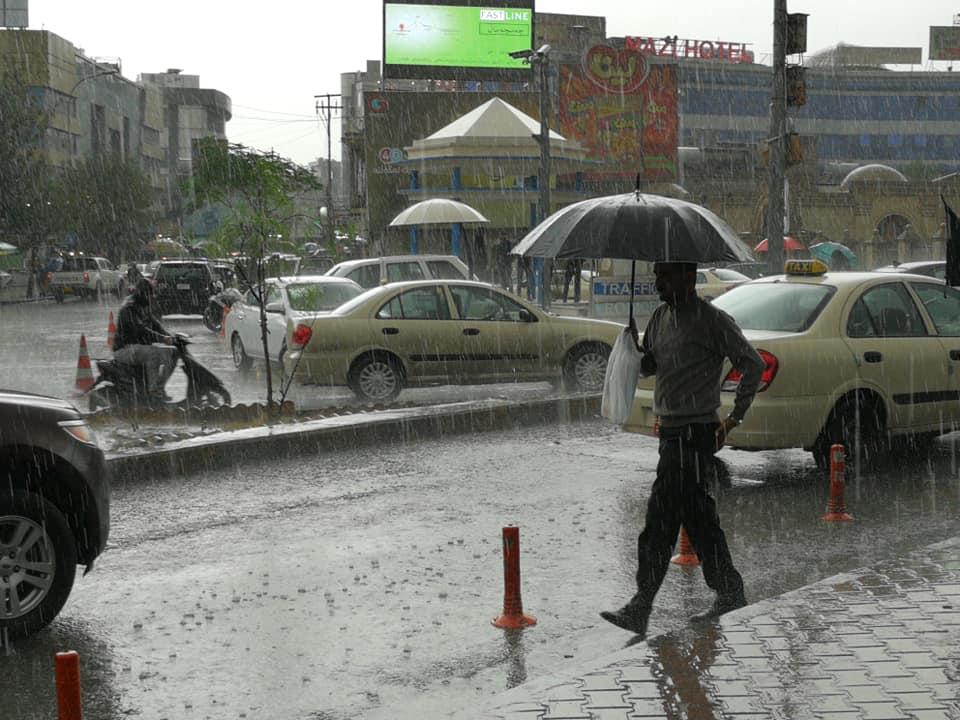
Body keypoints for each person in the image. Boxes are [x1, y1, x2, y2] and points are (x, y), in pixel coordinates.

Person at [600, 261, 764, 637]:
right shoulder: (659, 317)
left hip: (694, 433)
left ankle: (642, 605)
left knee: (660, 520)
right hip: (671, 433)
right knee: (698, 518)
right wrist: (633, 347)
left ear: (688, 279)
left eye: (665, 276)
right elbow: (650, 365)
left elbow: (751, 364)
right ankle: (729, 590)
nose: (657, 282)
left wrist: (735, 417)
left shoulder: (713, 321)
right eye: (657, 275)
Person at [112, 279, 178, 399]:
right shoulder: (129, 307)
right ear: (142, 293)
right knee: (153, 352)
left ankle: (159, 387)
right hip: (124, 349)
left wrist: (171, 337)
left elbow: (155, 325)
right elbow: (140, 330)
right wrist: (162, 338)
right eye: (149, 294)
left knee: (173, 353)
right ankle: (153, 392)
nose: (152, 297)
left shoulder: (144, 306)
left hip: (139, 348)